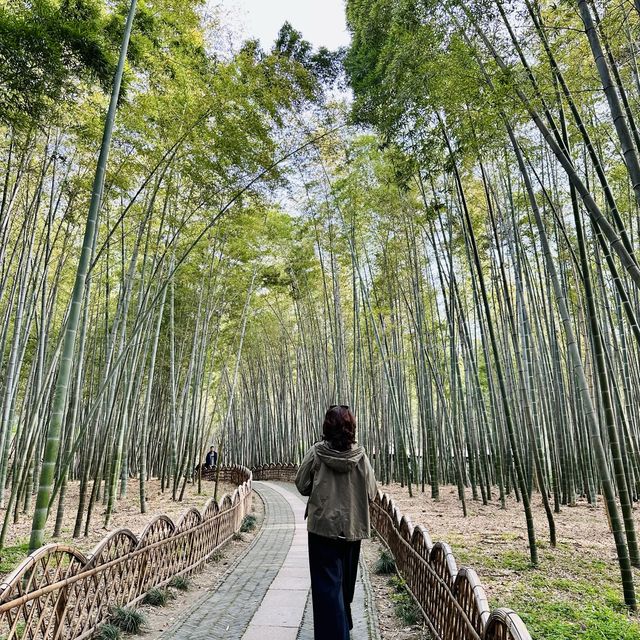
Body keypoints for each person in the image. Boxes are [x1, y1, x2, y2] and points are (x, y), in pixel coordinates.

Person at [295, 405, 377, 640]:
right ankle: (343, 626)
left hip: (322, 529)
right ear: (351, 427)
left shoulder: (317, 452)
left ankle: (336, 633)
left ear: (327, 427)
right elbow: (371, 491)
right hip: (351, 528)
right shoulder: (360, 455)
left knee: (326, 588)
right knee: (344, 586)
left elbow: (301, 484)